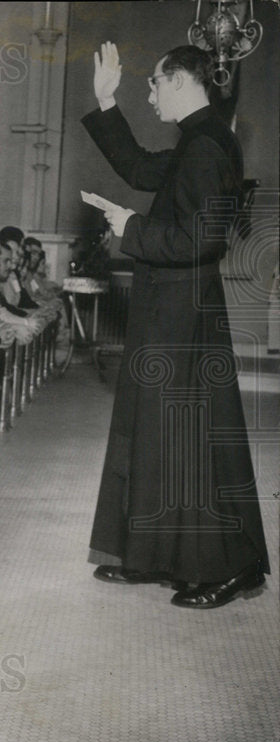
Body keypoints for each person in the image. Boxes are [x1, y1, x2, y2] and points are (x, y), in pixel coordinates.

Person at [82, 42, 269, 607]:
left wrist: (130, 226)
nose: (151, 91)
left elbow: (202, 240)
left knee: (189, 438)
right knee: (159, 433)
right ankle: (152, 555)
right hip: (171, 309)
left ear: (183, 81)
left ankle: (230, 569)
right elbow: (140, 167)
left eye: (155, 82)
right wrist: (106, 100)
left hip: (182, 316)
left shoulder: (208, 145)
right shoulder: (198, 139)